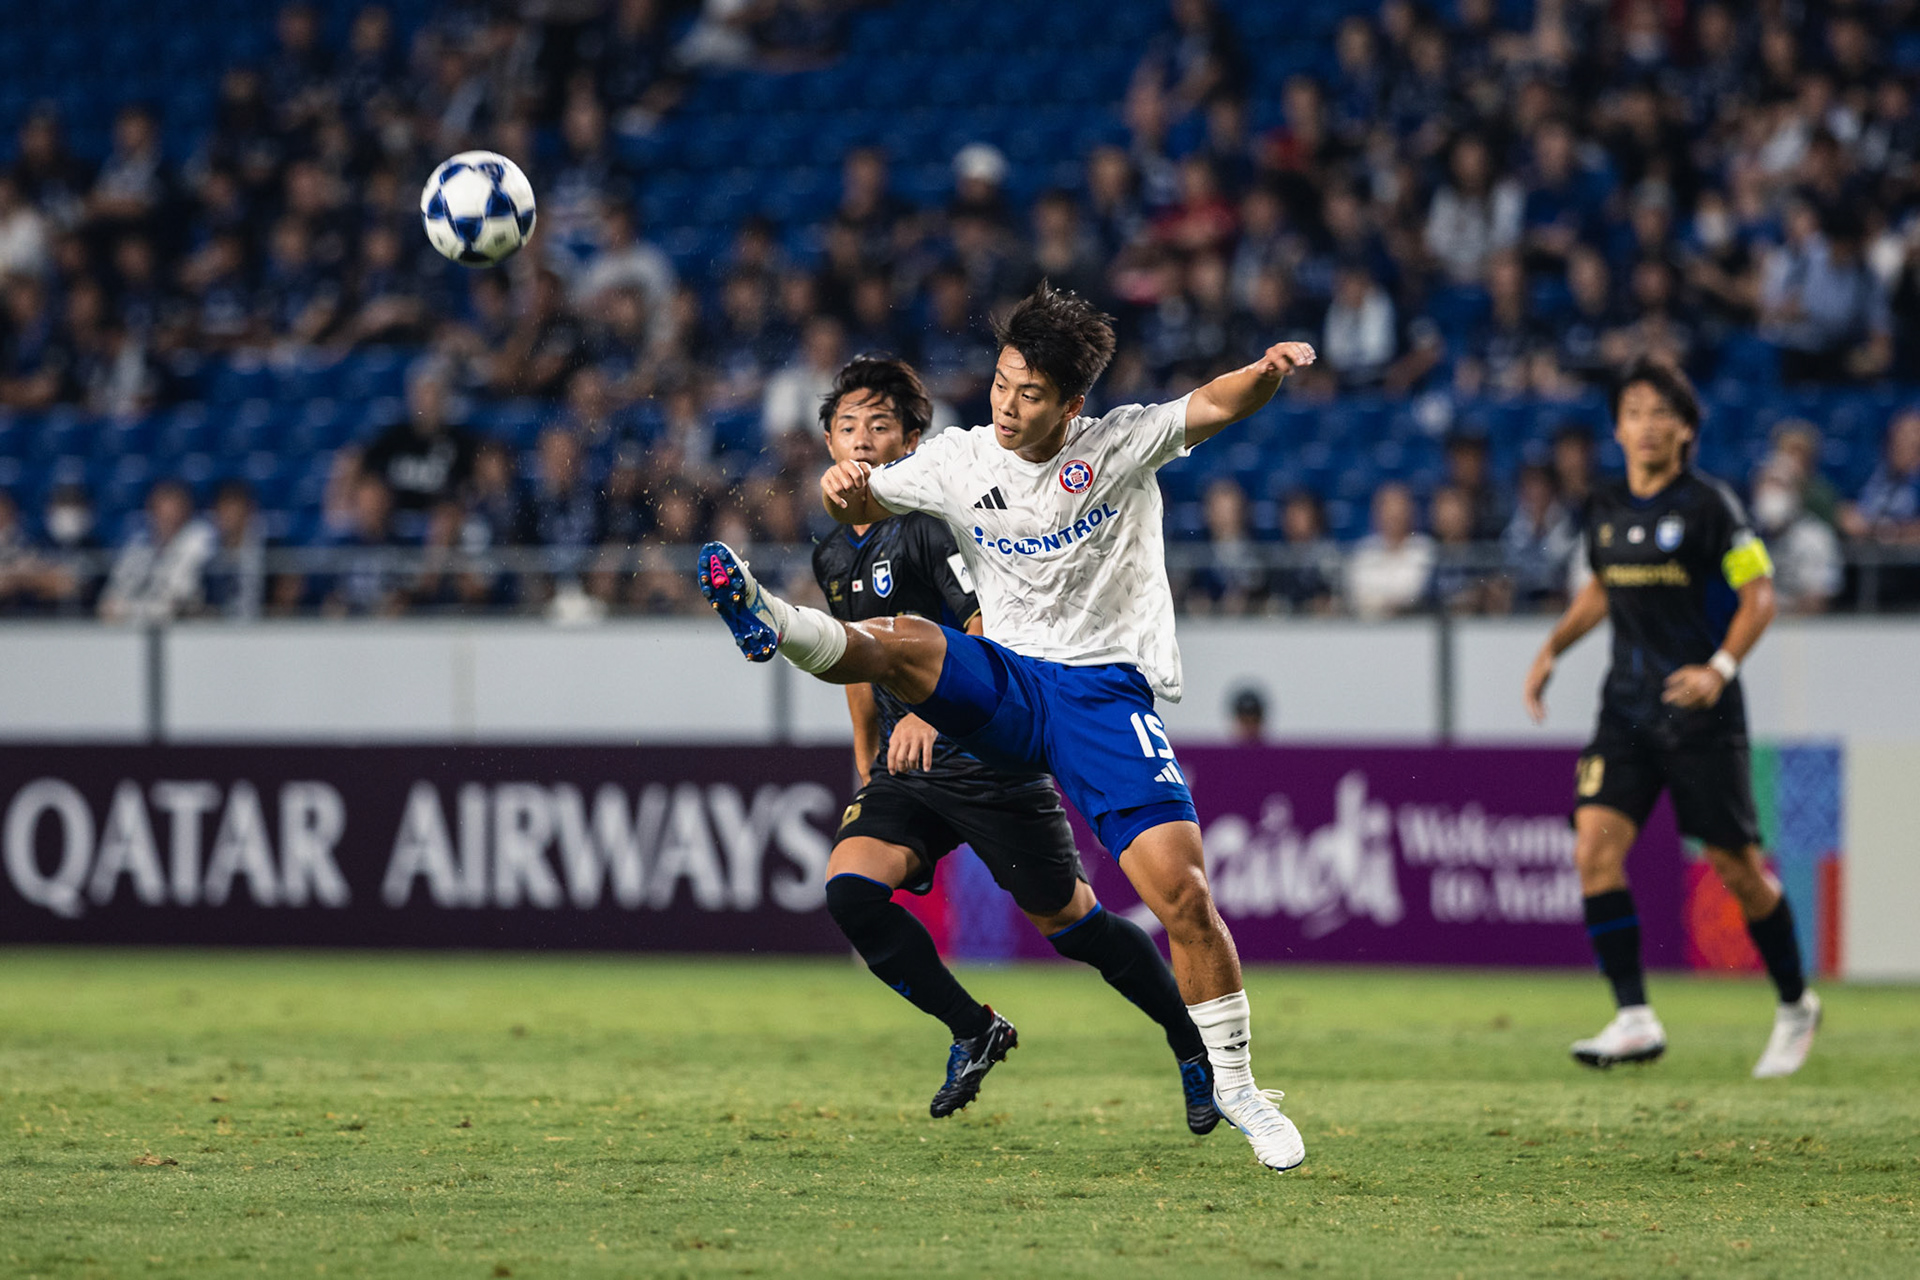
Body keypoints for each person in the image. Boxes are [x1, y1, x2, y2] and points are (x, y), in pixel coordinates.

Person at [697, 283, 1315, 1172]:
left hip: (1100, 695)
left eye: (1030, 395)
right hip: (1009, 681)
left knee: (1180, 896)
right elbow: (860, 507)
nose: (1007, 406)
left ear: (1072, 403)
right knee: (912, 645)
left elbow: (1214, 402)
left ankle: (1238, 1085)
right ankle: (770, 619)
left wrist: (1266, 370)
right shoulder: (958, 458)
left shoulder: (1119, 442)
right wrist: (841, 490)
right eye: (1000, 385)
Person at [808, 354, 1219, 1131]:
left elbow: (985, 623)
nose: (862, 440)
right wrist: (866, 769)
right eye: (847, 425)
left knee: (1076, 929)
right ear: (827, 439)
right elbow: (860, 668)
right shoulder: (832, 552)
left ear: (911, 441)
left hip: (986, 752)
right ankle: (973, 1029)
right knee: (850, 893)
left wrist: (939, 709)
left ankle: (1191, 1041)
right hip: (905, 769)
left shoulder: (934, 521)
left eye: (880, 426)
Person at [1523, 358, 1819, 1079]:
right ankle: (1632, 1016)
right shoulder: (1602, 505)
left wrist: (1719, 669)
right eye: (1635, 412)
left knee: (1736, 870)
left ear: (1685, 429)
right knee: (1592, 849)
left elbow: (1760, 597)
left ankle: (1794, 1003)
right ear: (1618, 426)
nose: (1648, 424)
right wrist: (1552, 648)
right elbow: (1602, 588)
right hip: (1625, 710)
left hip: (1701, 713)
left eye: (1663, 413)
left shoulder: (1713, 506)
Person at [98, 480, 215, 624]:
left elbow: (177, 600)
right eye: (161, 510)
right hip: (130, 632)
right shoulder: (137, 546)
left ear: (187, 511)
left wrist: (128, 610)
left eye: (175, 510)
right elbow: (111, 598)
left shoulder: (199, 539)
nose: (168, 518)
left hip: (182, 630)